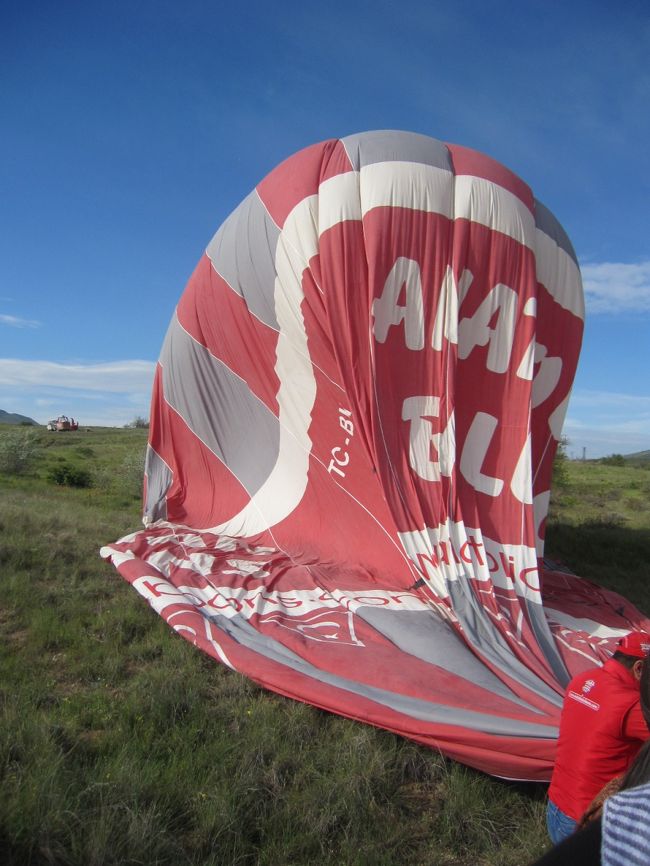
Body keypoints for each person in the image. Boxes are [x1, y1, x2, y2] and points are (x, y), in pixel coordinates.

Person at [546, 631, 650, 845]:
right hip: (588, 820)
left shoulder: (582, 680)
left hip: (555, 808)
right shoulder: (630, 705)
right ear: (639, 669)